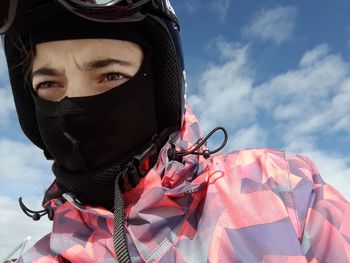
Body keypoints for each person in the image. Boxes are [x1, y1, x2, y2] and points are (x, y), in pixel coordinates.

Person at [1, 0, 349, 262]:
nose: (73, 104)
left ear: (162, 89)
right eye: (48, 84)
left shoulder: (286, 193)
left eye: (110, 76)